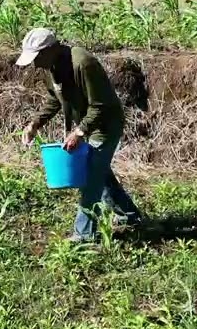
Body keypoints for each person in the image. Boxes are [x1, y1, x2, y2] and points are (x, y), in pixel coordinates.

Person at [17, 28, 143, 243]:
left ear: (52, 49)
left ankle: (83, 235)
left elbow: (100, 105)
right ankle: (129, 216)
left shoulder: (84, 64)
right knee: (100, 172)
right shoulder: (52, 66)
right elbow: (55, 99)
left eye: (37, 57)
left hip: (106, 125)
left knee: (91, 177)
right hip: (88, 124)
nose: (35, 64)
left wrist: (79, 132)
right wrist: (35, 124)